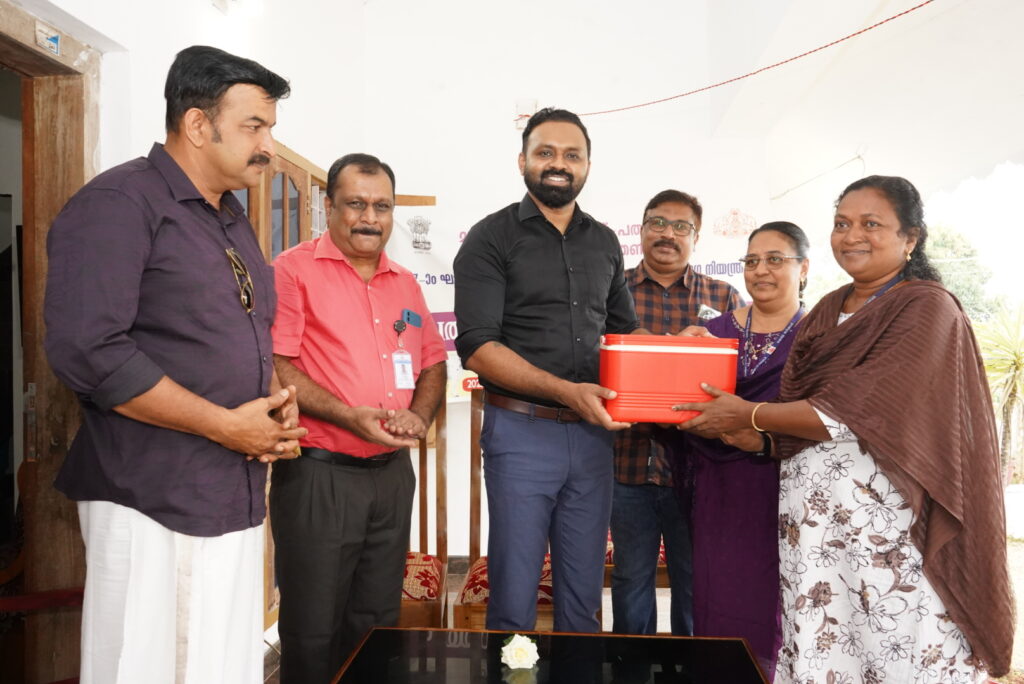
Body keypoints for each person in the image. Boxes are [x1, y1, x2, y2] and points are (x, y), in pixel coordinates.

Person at [675, 176, 1014, 682]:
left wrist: (749, 415)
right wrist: (757, 437)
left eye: (870, 224)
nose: (852, 235)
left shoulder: (927, 307)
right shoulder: (828, 311)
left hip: (886, 530)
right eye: (841, 223)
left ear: (910, 238)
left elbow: (851, 409)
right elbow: (796, 412)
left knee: (894, 648)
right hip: (813, 532)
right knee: (825, 649)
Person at [44, 46, 303, 684]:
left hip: (229, 490)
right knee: (147, 665)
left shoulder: (229, 217)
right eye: (254, 126)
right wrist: (224, 425)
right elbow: (90, 351)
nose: (268, 146)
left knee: (220, 665)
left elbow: (238, 330)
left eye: (269, 128)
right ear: (196, 124)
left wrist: (273, 401)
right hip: (150, 496)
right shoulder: (119, 203)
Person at [454, 107, 638, 632]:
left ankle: (578, 668)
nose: (559, 164)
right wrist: (566, 391)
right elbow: (478, 347)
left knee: (583, 601)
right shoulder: (490, 238)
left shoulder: (604, 241)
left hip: (593, 437)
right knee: (514, 599)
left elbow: (624, 334)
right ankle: (512, 669)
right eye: (546, 153)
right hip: (521, 431)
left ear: (587, 166)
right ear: (523, 161)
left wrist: (676, 349)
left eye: (572, 155)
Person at [270, 153, 447, 683]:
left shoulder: (406, 282)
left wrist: (419, 415)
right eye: (356, 204)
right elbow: (278, 365)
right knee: (312, 630)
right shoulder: (293, 270)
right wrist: (349, 416)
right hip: (319, 475)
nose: (370, 218)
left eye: (382, 206)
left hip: (391, 477)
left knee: (377, 626)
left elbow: (433, 361)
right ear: (328, 207)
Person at [665, 221, 809, 678]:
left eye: (775, 260)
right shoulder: (713, 333)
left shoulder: (819, 338)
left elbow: (827, 416)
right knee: (719, 595)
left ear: (804, 269)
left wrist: (758, 432)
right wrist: (676, 363)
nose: (760, 270)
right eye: (752, 261)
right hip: (719, 490)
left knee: (780, 604)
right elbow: (681, 408)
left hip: (789, 491)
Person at [611, 189, 742, 637]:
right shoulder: (612, 291)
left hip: (699, 470)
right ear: (642, 230)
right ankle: (631, 665)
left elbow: (742, 378)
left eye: (681, 226)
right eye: (658, 223)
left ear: (697, 237)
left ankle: (692, 666)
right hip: (625, 464)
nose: (668, 234)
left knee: (696, 581)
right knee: (630, 580)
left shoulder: (724, 297)